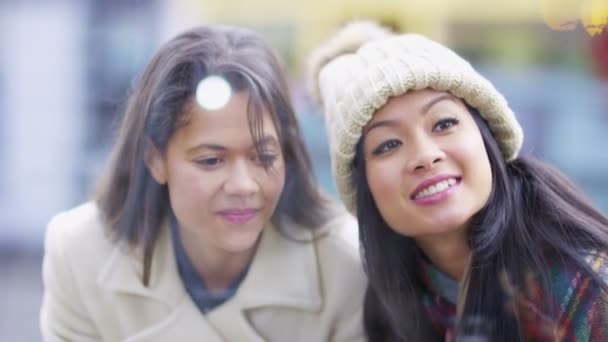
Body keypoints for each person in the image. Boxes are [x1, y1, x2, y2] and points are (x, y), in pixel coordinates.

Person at [40, 24, 366, 342]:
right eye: (211, 160)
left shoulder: (345, 265)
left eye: (264, 157)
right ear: (156, 160)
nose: (243, 186)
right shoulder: (79, 253)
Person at [307, 20, 608, 341]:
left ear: (487, 136)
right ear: (363, 185)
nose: (425, 155)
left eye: (444, 123)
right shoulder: (381, 302)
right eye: (388, 144)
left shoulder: (580, 289)